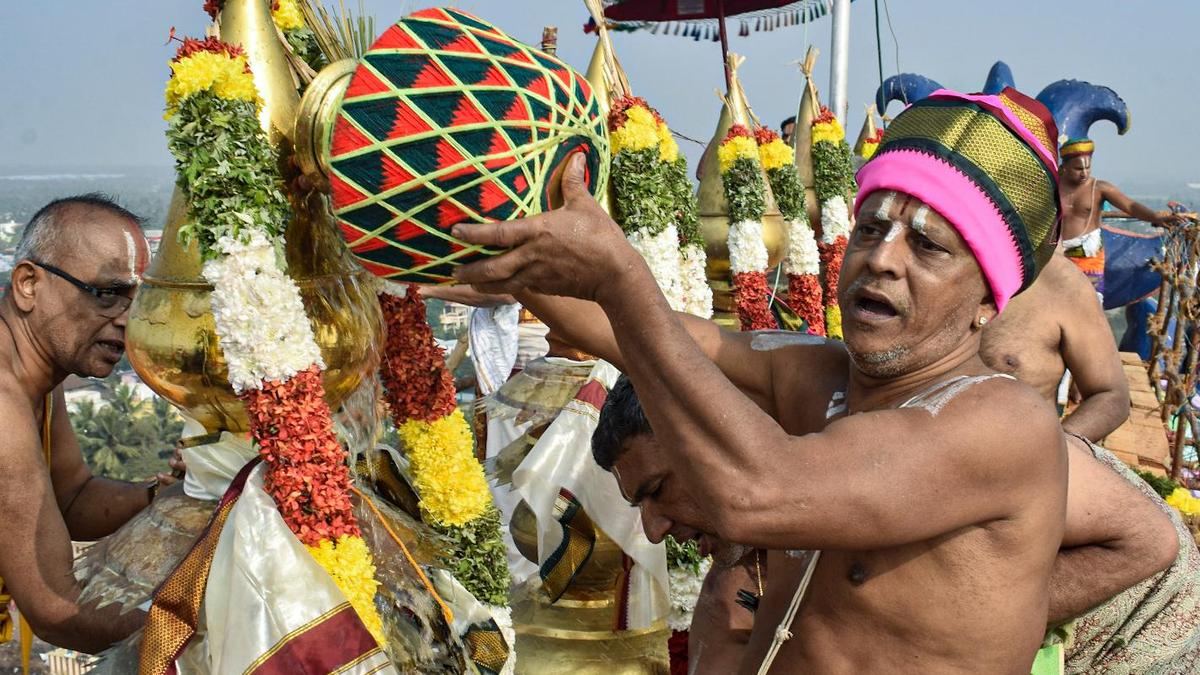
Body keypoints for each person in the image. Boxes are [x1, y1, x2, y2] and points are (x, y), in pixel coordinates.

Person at [450, 88, 1086, 671]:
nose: (881, 258)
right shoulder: (817, 373)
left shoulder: (1003, 423)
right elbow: (629, 331)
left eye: (927, 246)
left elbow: (755, 495)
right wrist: (484, 247)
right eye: (869, 230)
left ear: (987, 301)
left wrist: (619, 276)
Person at [595, 374, 1188, 673]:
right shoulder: (743, 563)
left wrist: (946, 621)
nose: (654, 530)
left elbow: (1148, 540)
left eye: (658, 491)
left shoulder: (907, 446)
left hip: (1150, 630)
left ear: (714, 446)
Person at [0, 195, 183, 653]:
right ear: (28, 284)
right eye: (107, 294)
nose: (128, 322)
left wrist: (168, 495)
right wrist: (214, 622)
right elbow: (59, 610)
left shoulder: (37, 374)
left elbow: (72, 498)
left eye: (138, 302)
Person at [980, 251, 1130, 441]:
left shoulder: (1061, 281)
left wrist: (1054, 451)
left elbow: (1111, 395)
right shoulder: (947, 270)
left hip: (1025, 446)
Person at [1058, 138, 1185, 300]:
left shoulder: (1099, 188)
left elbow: (1131, 206)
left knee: (1090, 302)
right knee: (1056, 302)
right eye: (1078, 169)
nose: (1084, 173)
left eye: (1087, 167)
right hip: (1057, 255)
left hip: (1089, 257)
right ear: (1065, 167)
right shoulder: (1053, 187)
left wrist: (1155, 217)